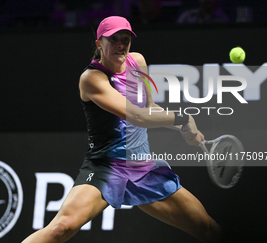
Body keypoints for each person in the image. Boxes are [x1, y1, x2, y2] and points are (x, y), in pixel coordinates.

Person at [21, 16, 222, 243]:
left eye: (125, 39)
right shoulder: (92, 78)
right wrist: (184, 117)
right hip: (107, 168)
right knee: (61, 228)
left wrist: (182, 127)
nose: (120, 44)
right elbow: (136, 116)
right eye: (113, 39)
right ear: (99, 44)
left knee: (208, 229)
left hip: (144, 167)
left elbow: (149, 108)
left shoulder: (138, 62)